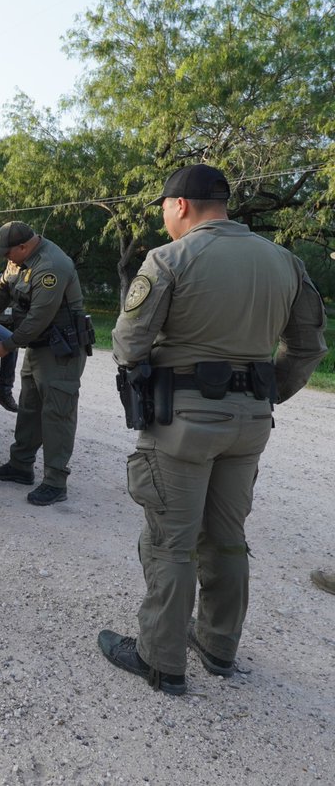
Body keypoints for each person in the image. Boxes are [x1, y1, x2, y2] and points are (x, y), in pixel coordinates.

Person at [99, 164, 327, 695]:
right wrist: (268, 391)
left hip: (182, 425)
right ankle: (220, 645)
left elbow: (129, 344)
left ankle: (161, 659)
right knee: (227, 537)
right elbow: (310, 345)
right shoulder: (284, 261)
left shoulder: (170, 258)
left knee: (170, 542)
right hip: (250, 426)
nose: (162, 217)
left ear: (180, 205)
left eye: (163, 207)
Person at [0, 221, 88, 506]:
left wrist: (6, 345)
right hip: (39, 347)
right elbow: (1, 290)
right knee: (29, 407)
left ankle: (55, 481)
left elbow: (38, 318)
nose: (6, 258)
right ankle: (21, 465)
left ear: (24, 246)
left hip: (61, 350)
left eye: (8, 253)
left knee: (57, 413)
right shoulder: (18, 261)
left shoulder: (51, 266)